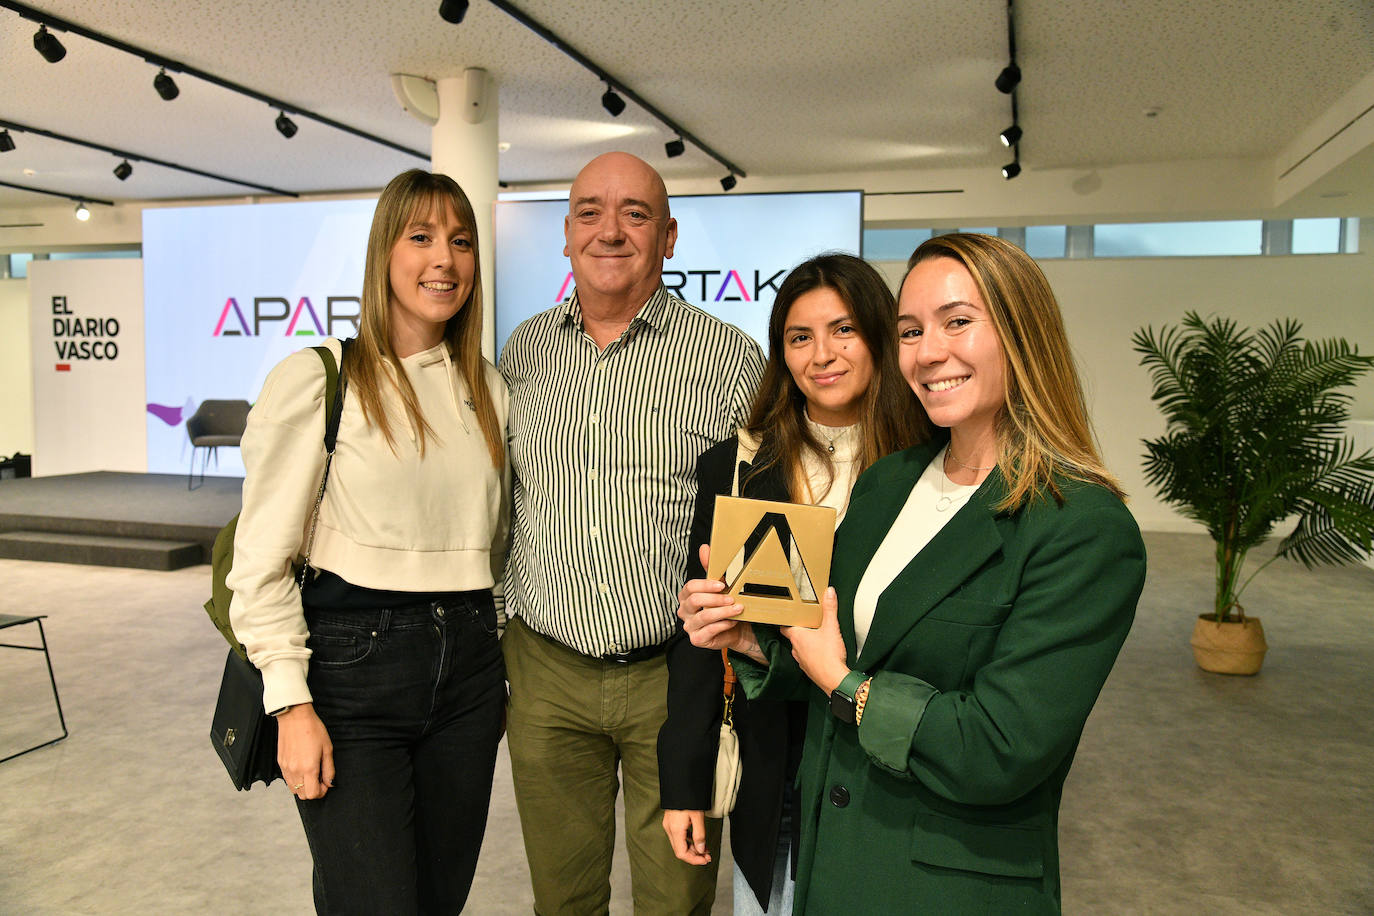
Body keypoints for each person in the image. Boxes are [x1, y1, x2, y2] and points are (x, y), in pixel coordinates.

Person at [679, 233, 1146, 914]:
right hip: (830, 863)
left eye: (957, 322)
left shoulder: (1082, 526)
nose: (928, 352)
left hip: (946, 882)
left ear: (1022, 333)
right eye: (911, 330)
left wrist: (844, 682)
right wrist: (750, 642)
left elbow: (1000, 746)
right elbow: (840, 657)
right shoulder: (890, 483)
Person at [228, 169, 509, 915]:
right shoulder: (321, 378)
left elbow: (495, 547)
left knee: (438, 901)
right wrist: (291, 704)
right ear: (384, 251)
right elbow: (260, 564)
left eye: (461, 241)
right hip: (352, 672)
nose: (444, 259)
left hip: (471, 672)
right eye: (420, 237)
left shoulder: (488, 388)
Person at [498, 151, 765, 915]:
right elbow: (507, 502)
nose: (609, 231)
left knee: (677, 901)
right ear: (566, 234)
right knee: (563, 900)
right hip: (547, 675)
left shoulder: (728, 360)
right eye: (590, 212)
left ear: (669, 237)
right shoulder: (524, 351)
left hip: (675, 681)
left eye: (635, 214)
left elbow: (766, 516)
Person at [657, 253, 925, 914]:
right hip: (775, 764)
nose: (821, 354)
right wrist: (684, 782)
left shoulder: (933, 465)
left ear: (879, 336)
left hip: (892, 767)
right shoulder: (738, 467)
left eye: (843, 330)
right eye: (799, 337)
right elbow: (703, 641)